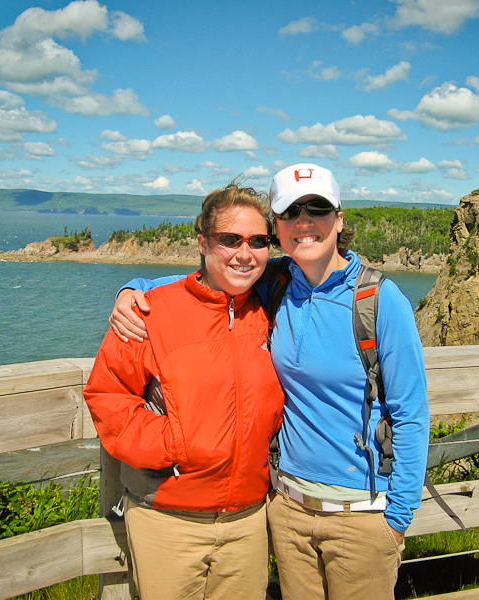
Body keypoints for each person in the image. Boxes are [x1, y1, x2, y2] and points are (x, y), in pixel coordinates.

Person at [110, 163, 430, 600]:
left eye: (317, 209)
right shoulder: (276, 283)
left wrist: (398, 517)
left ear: (340, 219)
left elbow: (410, 413)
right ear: (279, 227)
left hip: (362, 513)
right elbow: (206, 279)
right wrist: (133, 288)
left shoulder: (379, 300)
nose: (304, 223)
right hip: (285, 508)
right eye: (290, 212)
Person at [83, 183, 284, 600]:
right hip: (167, 520)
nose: (244, 254)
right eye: (230, 240)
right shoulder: (151, 311)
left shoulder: (272, 306)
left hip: (248, 522)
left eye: (258, 241)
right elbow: (108, 394)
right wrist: (172, 443)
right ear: (203, 242)